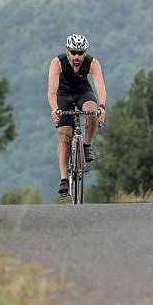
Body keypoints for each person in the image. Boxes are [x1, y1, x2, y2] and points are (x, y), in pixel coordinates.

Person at [47, 34, 107, 196]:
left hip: (83, 92)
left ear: (85, 53)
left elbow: (100, 87)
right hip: (63, 95)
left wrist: (102, 106)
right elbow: (52, 92)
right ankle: (64, 179)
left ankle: (86, 145)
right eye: (73, 52)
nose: (77, 56)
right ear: (67, 52)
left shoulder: (92, 63)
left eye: (80, 53)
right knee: (64, 136)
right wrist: (54, 109)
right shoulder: (57, 62)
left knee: (92, 111)